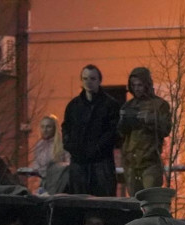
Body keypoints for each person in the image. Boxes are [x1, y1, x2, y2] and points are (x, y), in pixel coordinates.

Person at [62, 64, 121, 196]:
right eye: (85, 78)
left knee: (103, 204)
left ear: (99, 80)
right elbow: (66, 127)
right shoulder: (73, 105)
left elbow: (113, 131)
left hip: (101, 163)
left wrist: (98, 148)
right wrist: (70, 145)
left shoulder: (110, 105)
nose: (88, 82)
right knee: (79, 204)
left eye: (92, 78)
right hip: (79, 163)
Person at [118, 67, 172, 196]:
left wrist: (150, 120)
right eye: (134, 85)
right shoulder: (128, 106)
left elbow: (166, 129)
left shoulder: (159, 105)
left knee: (150, 201)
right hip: (131, 163)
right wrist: (124, 121)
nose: (137, 88)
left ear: (147, 85)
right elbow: (121, 134)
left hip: (150, 162)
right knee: (134, 204)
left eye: (140, 85)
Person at [31, 115, 69, 194]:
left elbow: (69, 164)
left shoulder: (62, 145)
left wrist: (55, 167)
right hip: (43, 184)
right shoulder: (39, 145)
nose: (45, 130)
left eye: (48, 127)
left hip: (59, 185)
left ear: (54, 128)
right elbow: (36, 165)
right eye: (42, 127)